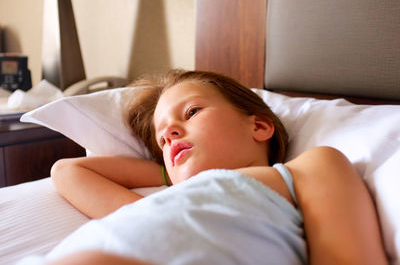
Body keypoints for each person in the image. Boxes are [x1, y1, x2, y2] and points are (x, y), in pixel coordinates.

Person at [50, 70, 387, 265]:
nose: (169, 134)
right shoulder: (157, 205)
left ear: (258, 127)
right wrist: (173, 177)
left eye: (192, 112)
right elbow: (66, 171)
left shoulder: (306, 169)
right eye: (162, 141)